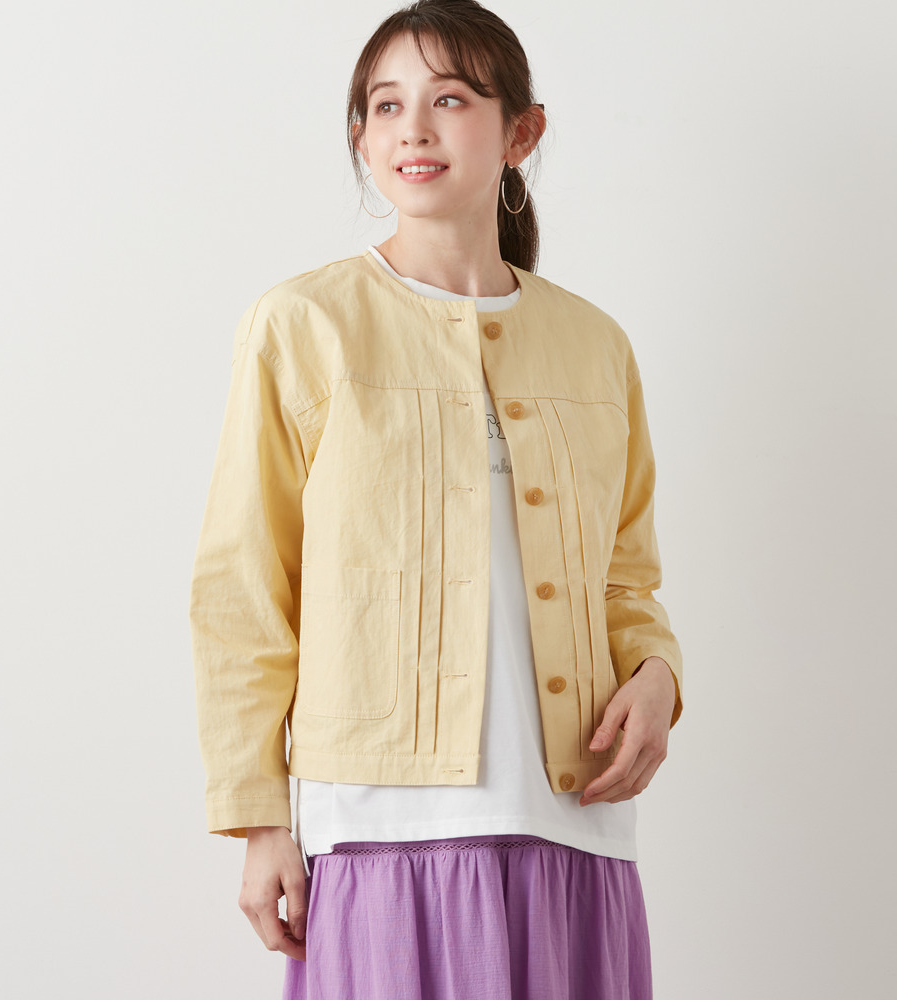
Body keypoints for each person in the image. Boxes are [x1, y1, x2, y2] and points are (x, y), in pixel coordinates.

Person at [188, 1, 683, 997]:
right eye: (385, 105)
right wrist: (260, 819)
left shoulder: (595, 346)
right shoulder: (303, 326)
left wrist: (659, 676)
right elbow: (245, 586)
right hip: (379, 826)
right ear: (361, 136)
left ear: (520, 133)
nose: (412, 127)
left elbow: (625, 577)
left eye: (449, 98)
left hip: (574, 820)